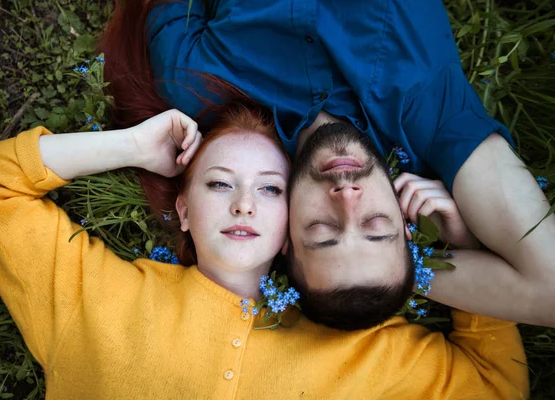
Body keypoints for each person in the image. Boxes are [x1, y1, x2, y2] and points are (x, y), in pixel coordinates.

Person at [0, 100, 529, 398]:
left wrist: (458, 247)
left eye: (273, 189)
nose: (245, 205)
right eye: (218, 183)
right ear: (181, 208)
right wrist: (129, 146)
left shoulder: (369, 350)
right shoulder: (91, 300)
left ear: (294, 233)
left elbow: (492, 388)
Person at [99, 0, 555, 328]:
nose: (347, 199)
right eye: (377, 227)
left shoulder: (197, 81)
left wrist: (387, 265)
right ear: (405, 220)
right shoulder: (433, 115)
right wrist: (443, 252)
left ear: (285, 230)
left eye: (322, 232)